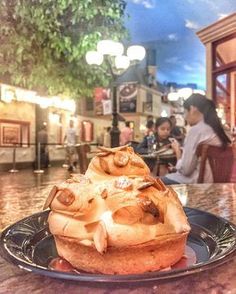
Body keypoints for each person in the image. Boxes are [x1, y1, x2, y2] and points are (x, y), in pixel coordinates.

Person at [161, 94, 231, 185]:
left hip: (196, 184)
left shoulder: (196, 130)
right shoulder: (222, 131)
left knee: (153, 183)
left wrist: (178, 151)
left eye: (185, 112)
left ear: (193, 109)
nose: (185, 117)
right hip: (217, 186)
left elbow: (186, 170)